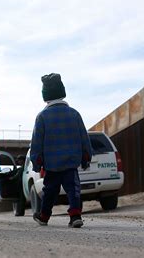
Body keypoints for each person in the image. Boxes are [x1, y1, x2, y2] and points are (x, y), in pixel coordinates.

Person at [30, 73, 92, 228]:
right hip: (71, 162)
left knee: (49, 191)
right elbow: (84, 138)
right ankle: (75, 215)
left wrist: (37, 162)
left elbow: (36, 142)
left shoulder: (42, 117)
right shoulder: (74, 114)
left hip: (52, 164)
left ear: (45, 95)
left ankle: (44, 216)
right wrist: (86, 157)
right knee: (73, 189)